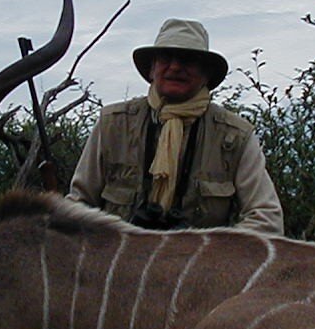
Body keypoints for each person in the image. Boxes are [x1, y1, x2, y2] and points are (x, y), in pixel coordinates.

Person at [68, 18, 283, 234]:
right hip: (119, 259)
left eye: (188, 60)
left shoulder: (235, 135)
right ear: (152, 69)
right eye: (166, 58)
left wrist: (203, 250)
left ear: (206, 73)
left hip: (199, 264)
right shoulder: (112, 124)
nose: (176, 67)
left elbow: (267, 220)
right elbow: (78, 205)